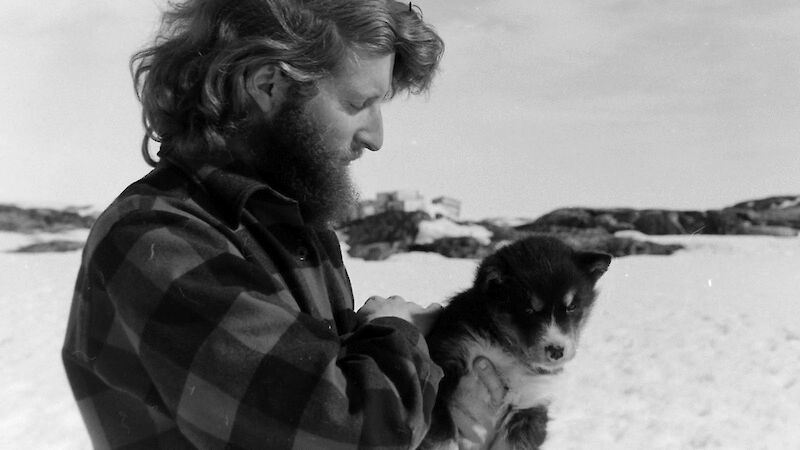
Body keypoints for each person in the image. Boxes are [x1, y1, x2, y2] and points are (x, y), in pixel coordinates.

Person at [62, 1, 506, 448]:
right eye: (358, 103)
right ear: (267, 84)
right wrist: (398, 334)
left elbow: (332, 394)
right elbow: (349, 433)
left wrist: (446, 396)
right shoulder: (157, 237)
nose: (376, 137)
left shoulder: (293, 225)